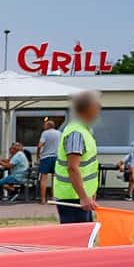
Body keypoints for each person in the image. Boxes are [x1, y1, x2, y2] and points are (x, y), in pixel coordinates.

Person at [52, 90, 102, 224]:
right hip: (73, 197)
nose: (98, 112)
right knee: (76, 239)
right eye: (97, 107)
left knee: (84, 236)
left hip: (79, 196)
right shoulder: (76, 133)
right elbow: (72, 168)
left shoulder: (83, 130)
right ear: (88, 109)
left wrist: (89, 193)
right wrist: (84, 196)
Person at [37, 117, 61, 196]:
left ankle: (43, 199)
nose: (44, 126)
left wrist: (38, 155)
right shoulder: (59, 133)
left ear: (48, 126)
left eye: (45, 125)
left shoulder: (45, 133)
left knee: (44, 178)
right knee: (54, 179)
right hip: (56, 157)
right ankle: (53, 197)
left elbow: (40, 145)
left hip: (46, 157)